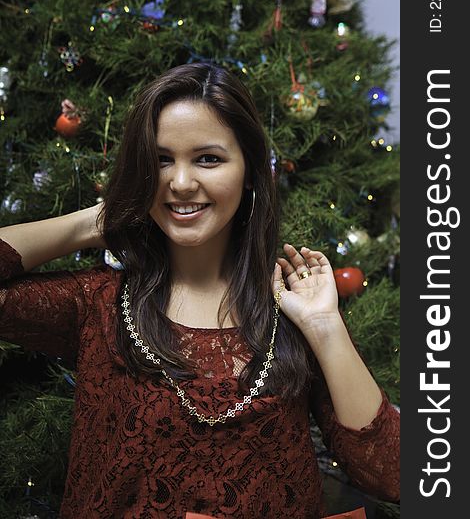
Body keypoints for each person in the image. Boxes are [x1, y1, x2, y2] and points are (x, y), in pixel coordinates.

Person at [0, 62, 399, 518]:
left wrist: (325, 327)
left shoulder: (295, 310)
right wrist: (93, 222)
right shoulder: (99, 303)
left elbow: (392, 475)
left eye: (208, 158)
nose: (182, 182)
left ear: (250, 171)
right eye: (161, 160)